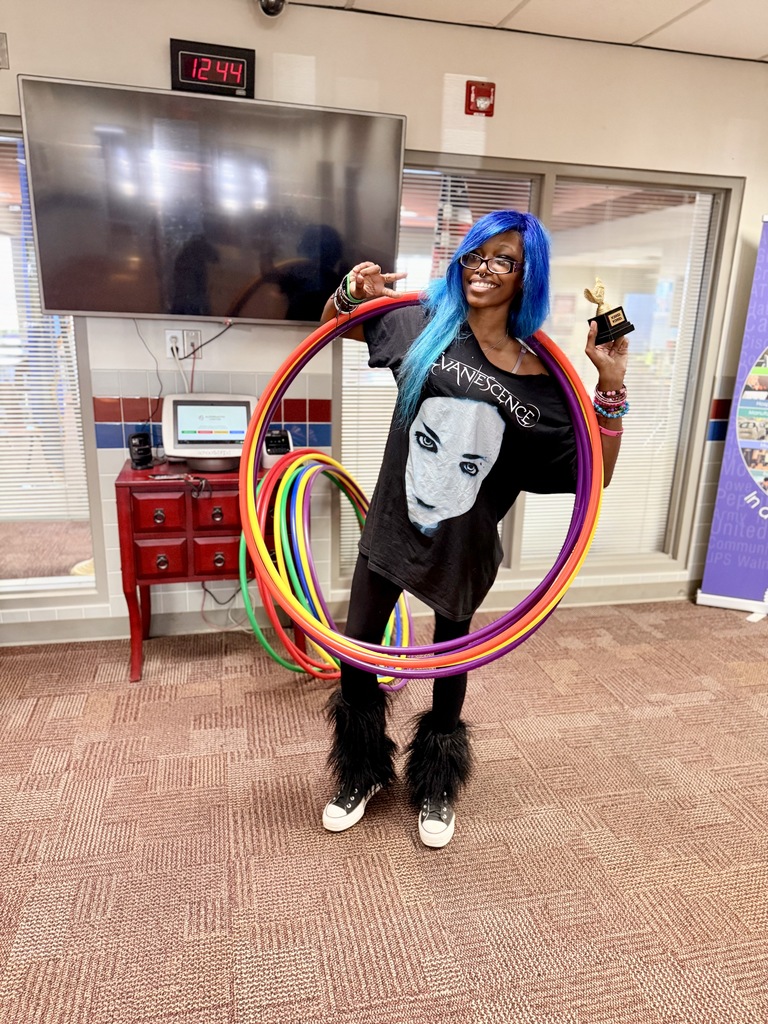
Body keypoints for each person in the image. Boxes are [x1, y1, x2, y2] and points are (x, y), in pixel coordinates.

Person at [318, 210, 629, 848]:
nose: (483, 269)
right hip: (393, 524)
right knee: (356, 654)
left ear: (526, 277)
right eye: (475, 255)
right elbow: (333, 326)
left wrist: (610, 384)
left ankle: (435, 782)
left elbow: (594, 476)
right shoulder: (423, 325)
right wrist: (351, 293)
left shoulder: (543, 383)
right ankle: (364, 770)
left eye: (503, 260)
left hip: (465, 543)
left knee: (448, 662)